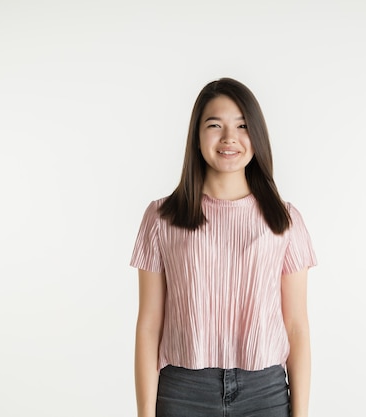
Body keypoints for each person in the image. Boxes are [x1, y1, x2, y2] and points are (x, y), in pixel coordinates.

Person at [130, 77, 317, 417]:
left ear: (257, 136)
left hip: (265, 392)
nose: (229, 138)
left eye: (243, 126)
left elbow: (296, 327)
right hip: (182, 391)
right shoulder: (162, 217)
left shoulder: (285, 220)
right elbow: (149, 324)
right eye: (215, 125)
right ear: (197, 136)